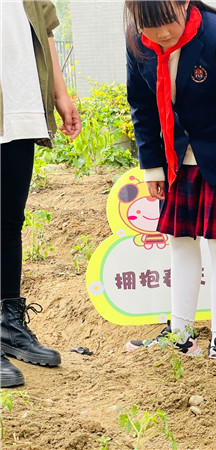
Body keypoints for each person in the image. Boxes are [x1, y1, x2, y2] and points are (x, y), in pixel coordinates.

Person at [123, 0, 216, 360]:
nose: (162, 34)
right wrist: (153, 167)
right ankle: (180, 334)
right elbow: (142, 106)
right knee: (179, 241)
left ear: (184, 3)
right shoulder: (138, 41)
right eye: (150, 26)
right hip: (175, 160)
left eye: (168, 21)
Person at [0, 0, 81, 388]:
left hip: (20, 105)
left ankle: (8, 323)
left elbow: (45, 30)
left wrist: (60, 93)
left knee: (9, 221)